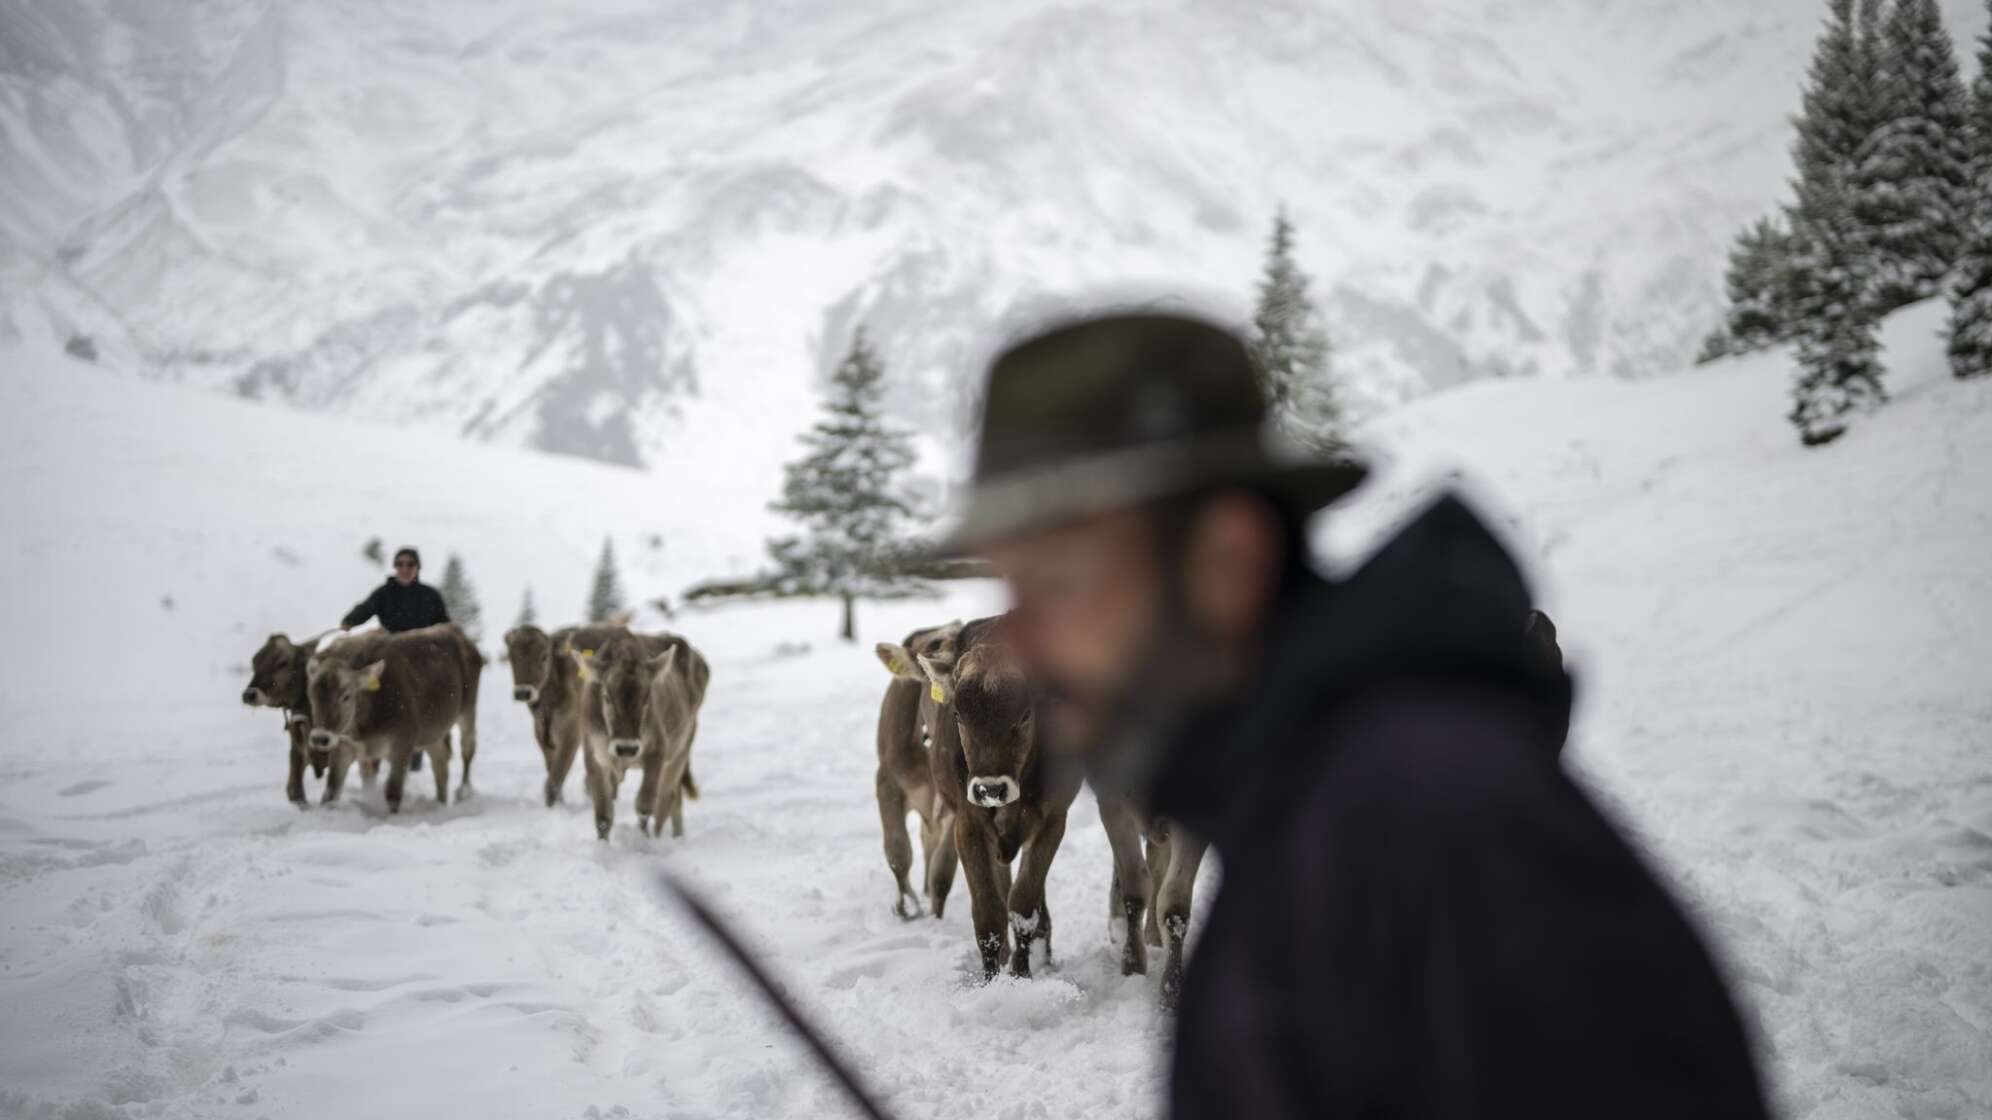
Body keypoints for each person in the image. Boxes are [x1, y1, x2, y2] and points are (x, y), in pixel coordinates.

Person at [939, 313, 1769, 1118]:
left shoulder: (1435, 832)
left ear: (1225, 559)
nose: (1025, 645)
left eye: (1057, 585)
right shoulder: (1313, 804)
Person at [342, 547, 450, 634]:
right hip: (391, 647)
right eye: (400, 564)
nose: (405, 568)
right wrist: (349, 622)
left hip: (424, 648)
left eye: (410, 564)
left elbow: (444, 624)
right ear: (395, 567)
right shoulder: (383, 593)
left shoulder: (430, 595)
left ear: (417, 567)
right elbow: (365, 609)